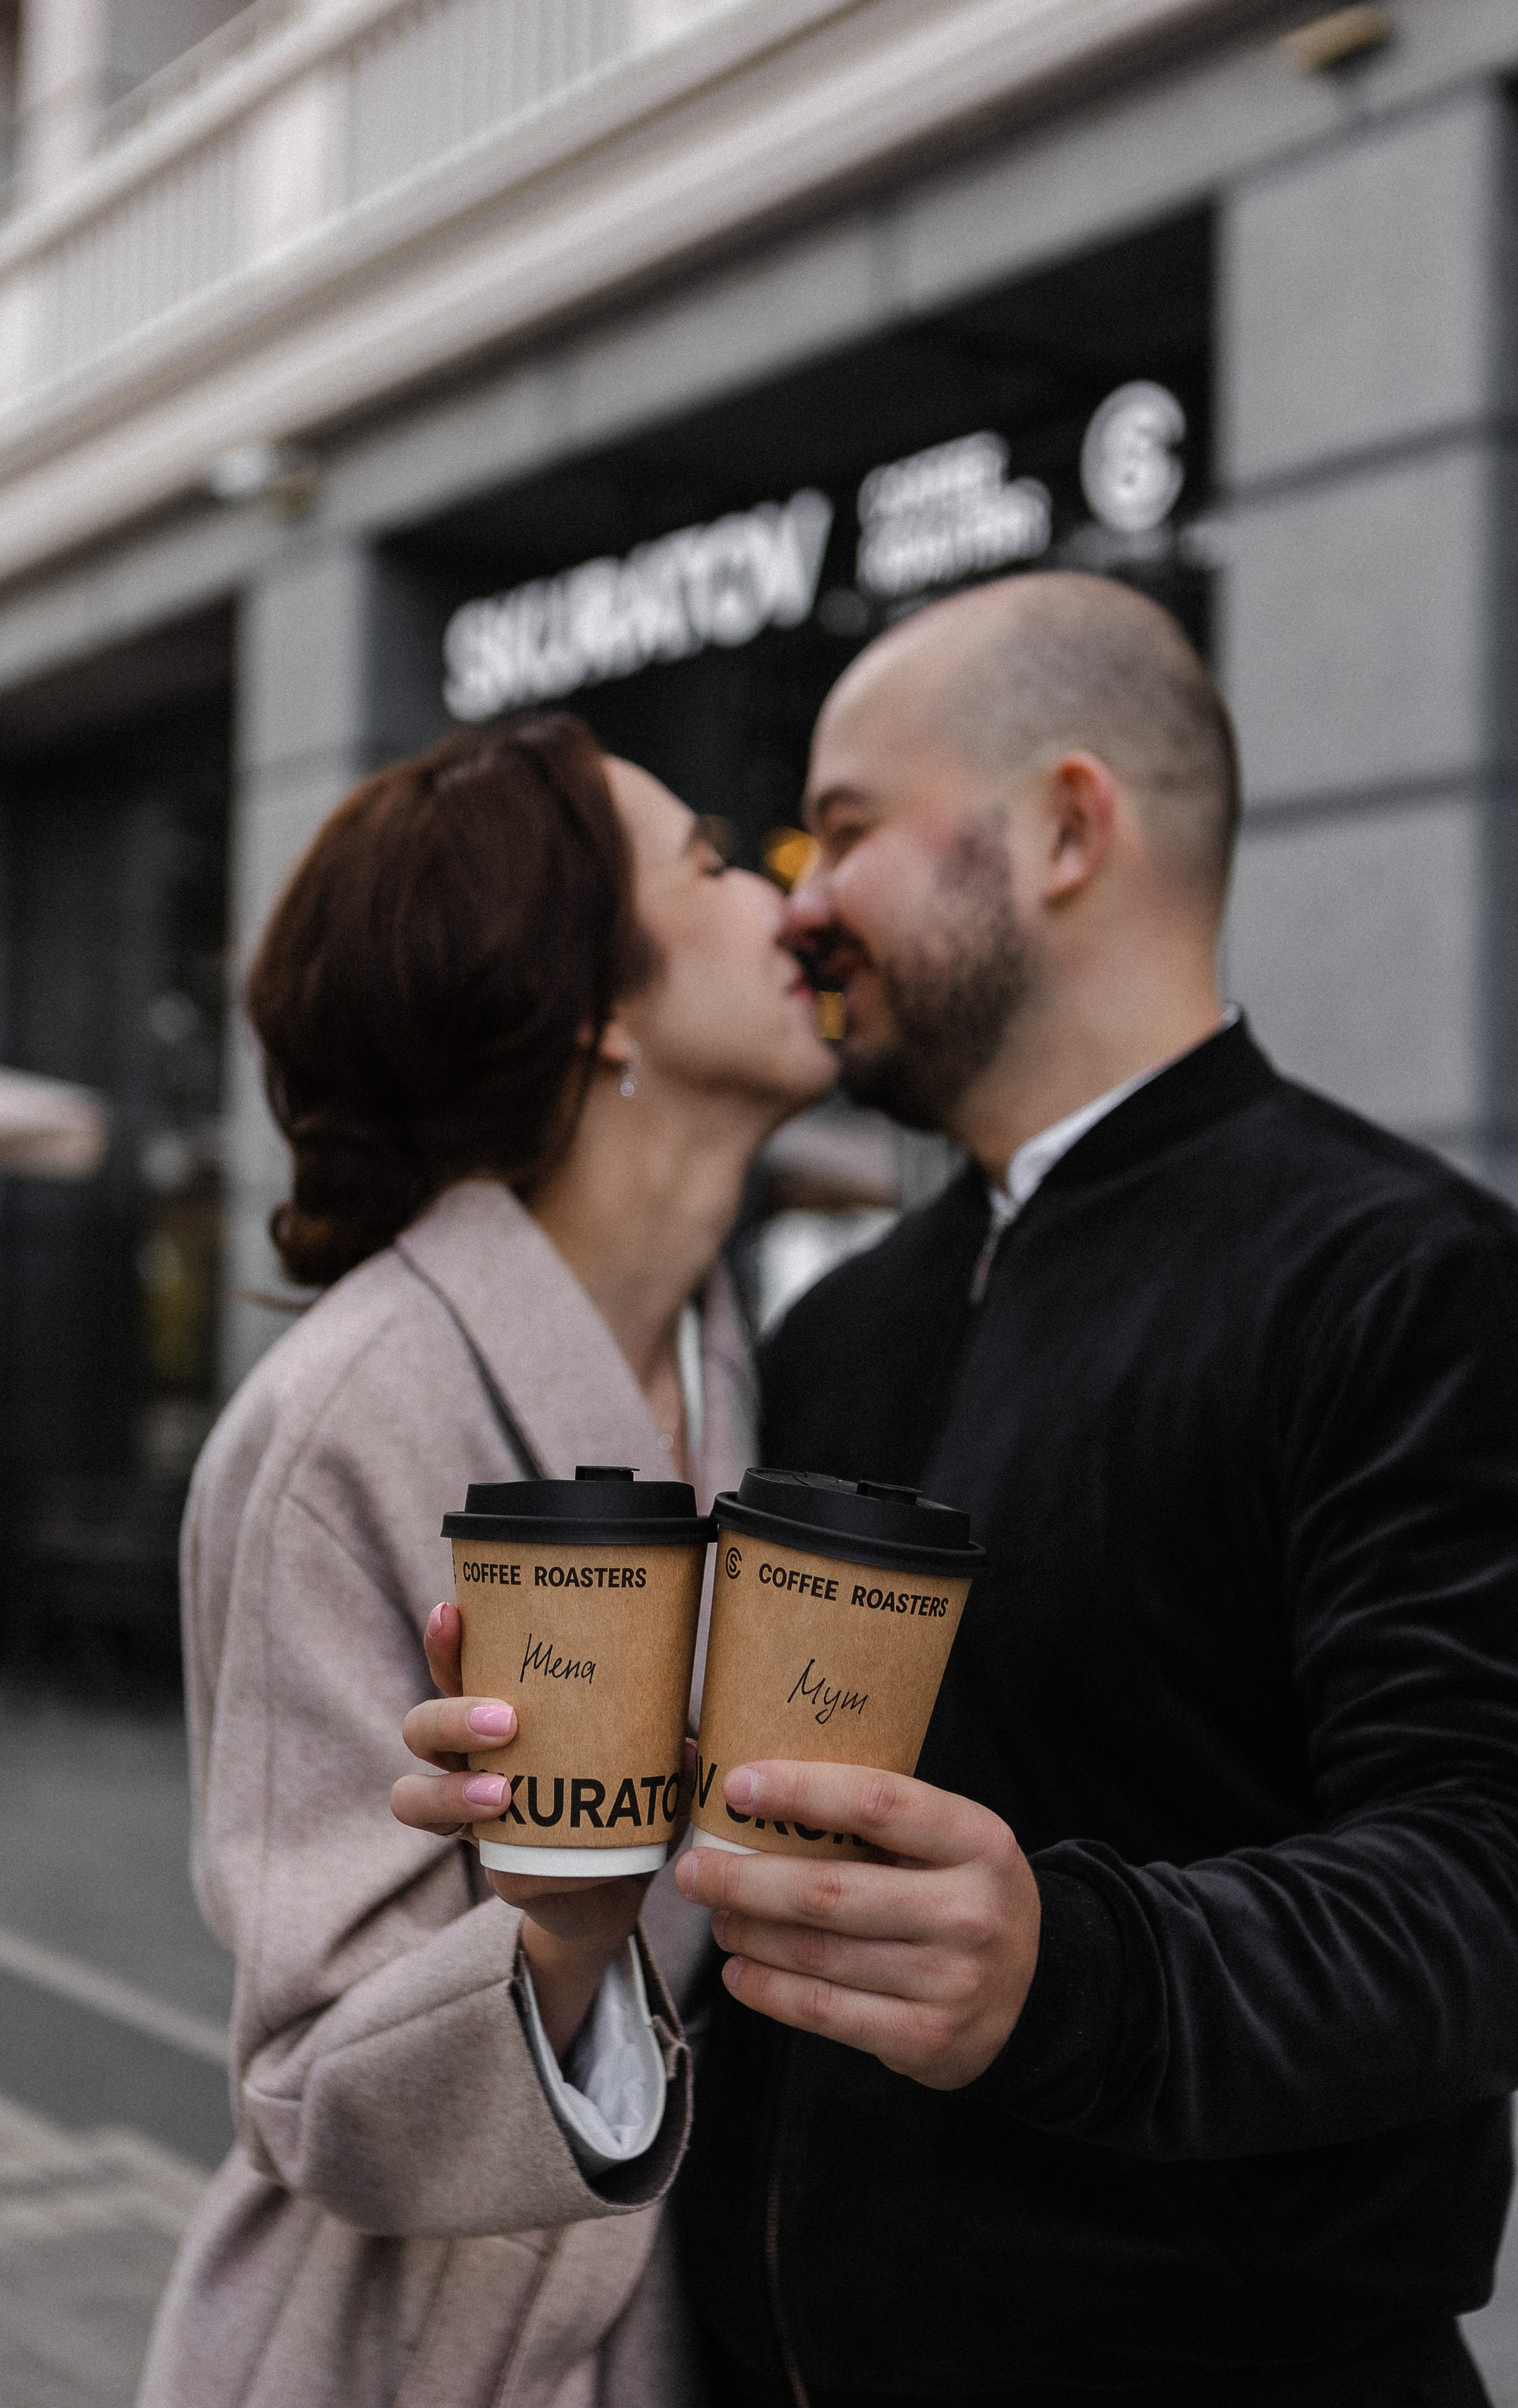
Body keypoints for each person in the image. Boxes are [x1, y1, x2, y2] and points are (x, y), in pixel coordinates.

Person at [672, 571, 1518, 2406]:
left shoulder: (1402, 1278)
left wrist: (1069, 1973)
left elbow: (1482, 1876)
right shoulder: (839, 1323)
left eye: (849, 829)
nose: (800, 901)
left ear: (1067, 828)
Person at [139, 714, 835, 2408]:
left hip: (693, 2318)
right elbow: (312, 2089)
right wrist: (564, 1925)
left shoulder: (737, 1362)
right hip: (403, 2355)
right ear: (599, 1009)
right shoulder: (345, 1420)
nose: (787, 897)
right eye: (713, 864)